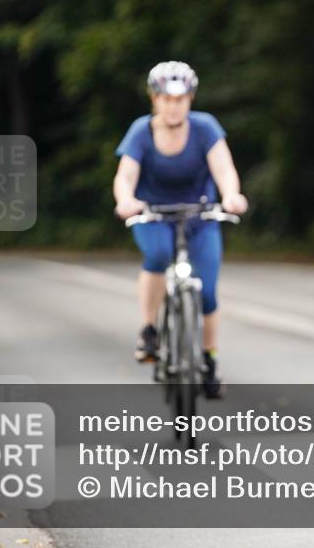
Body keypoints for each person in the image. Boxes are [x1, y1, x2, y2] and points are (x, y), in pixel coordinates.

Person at [113, 61, 248, 398]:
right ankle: (149, 331)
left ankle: (209, 360)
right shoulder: (141, 131)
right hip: (154, 214)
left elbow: (224, 168)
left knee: (208, 292)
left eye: (181, 99)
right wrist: (126, 200)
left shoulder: (205, 128)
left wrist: (231, 195)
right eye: (167, 99)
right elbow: (126, 175)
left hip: (200, 215)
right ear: (154, 99)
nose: (174, 106)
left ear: (190, 99)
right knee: (157, 256)